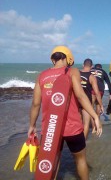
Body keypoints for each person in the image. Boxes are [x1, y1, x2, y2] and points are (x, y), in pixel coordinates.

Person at [28, 46, 102, 180]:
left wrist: (32, 126)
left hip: (50, 129)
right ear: (68, 59)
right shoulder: (72, 71)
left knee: (52, 162)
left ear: (53, 59)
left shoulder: (42, 76)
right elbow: (80, 95)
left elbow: (35, 104)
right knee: (80, 160)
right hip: (72, 127)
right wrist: (95, 115)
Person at [80, 58, 104, 136]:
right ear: (92, 66)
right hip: (86, 102)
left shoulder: (76, 74)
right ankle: (82, 145)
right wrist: (101, 105)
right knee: (86, 124)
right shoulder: (92, 77)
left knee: (78, 122)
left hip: (76, 101)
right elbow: (97, 93)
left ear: (83, 65)